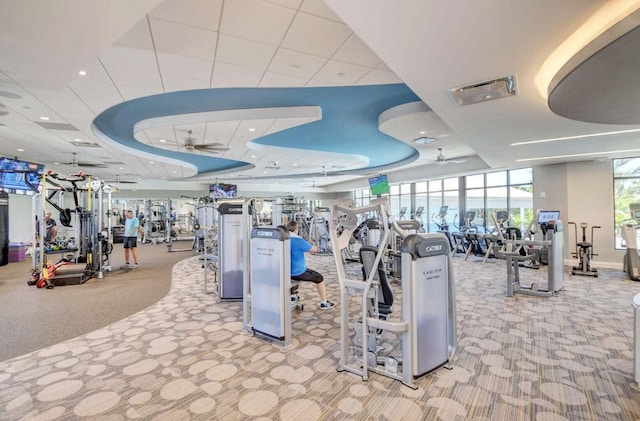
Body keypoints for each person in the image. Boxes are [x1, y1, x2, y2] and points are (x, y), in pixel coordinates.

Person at [286, 220, 334, 310]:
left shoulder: (283, 239)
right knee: (319, 278)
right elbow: (314, 250)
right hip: (298, 273)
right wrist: (311, 242)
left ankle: (293, 297)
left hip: (286, 272)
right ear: (296, 229)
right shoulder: (298, 240)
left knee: (295, 276)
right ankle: (324, 303)